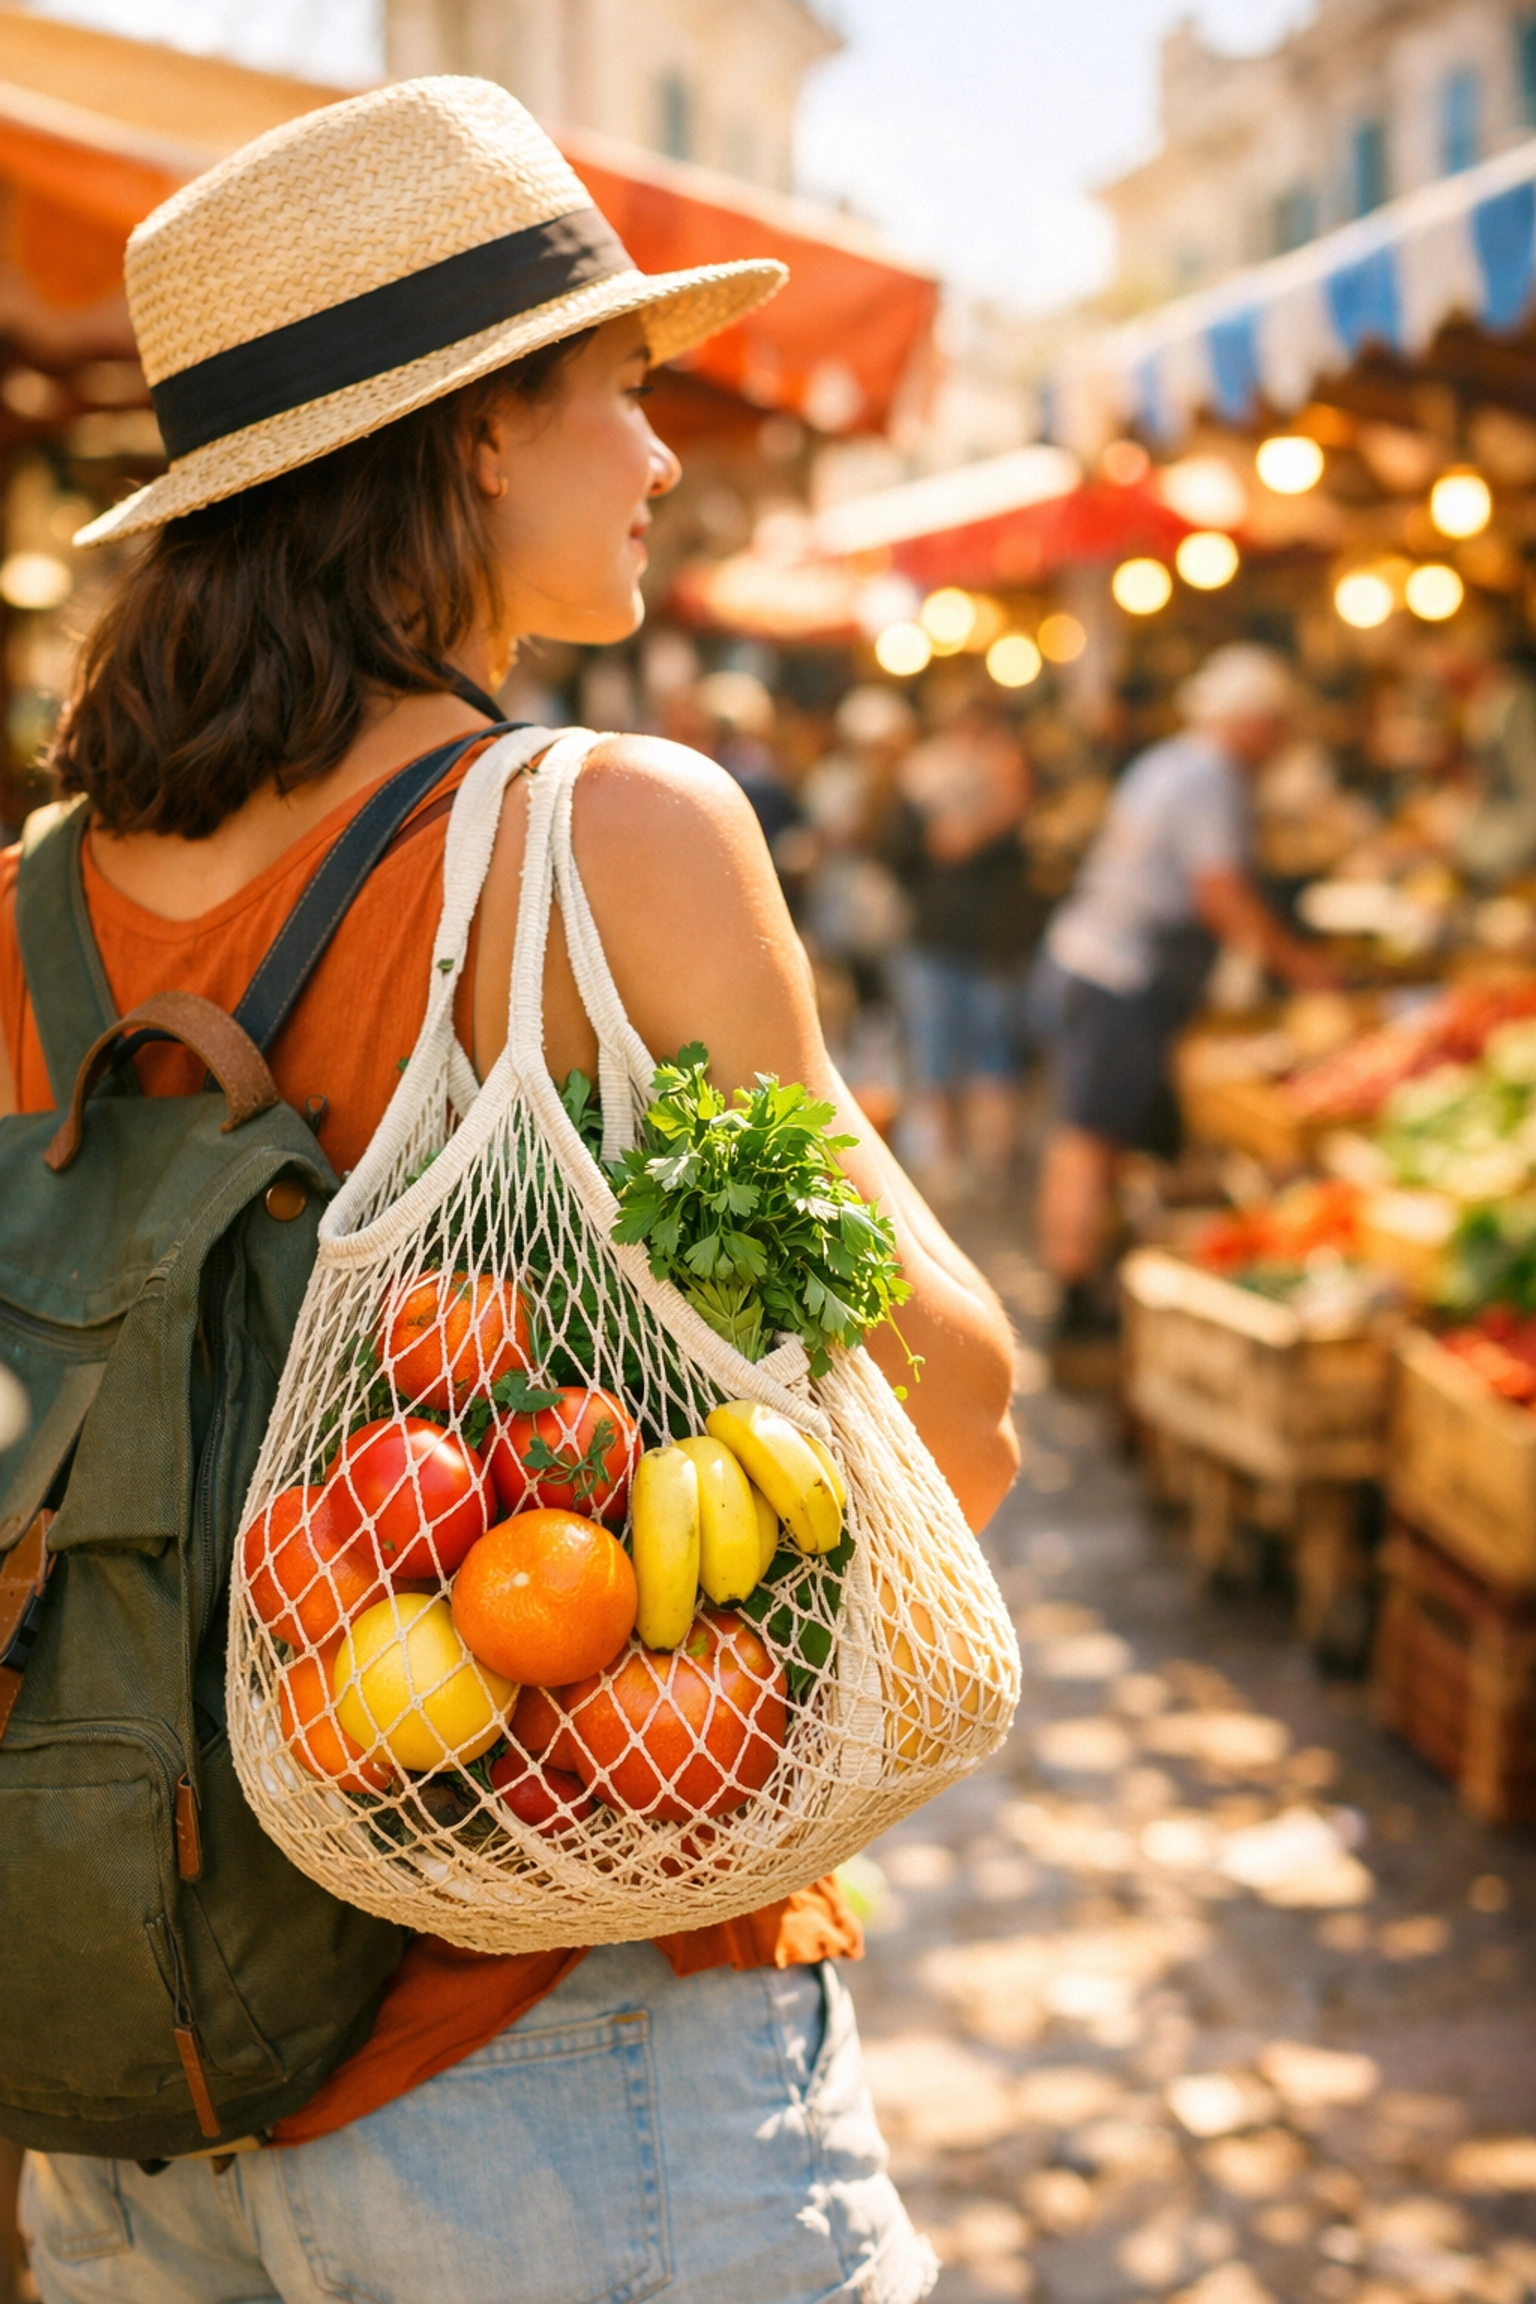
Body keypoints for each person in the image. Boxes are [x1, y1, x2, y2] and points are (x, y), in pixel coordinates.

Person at [0, 80, 1018, 2304]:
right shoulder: (607, 833)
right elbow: (961, 1409)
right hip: (559, 2046)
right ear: (475, 429)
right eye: (623, 392)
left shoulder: (27, 919)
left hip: (115, 2057)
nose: (661, 458)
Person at [1030, 643, 1333, 1346]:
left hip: (1096, 962)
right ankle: (1075, 1295)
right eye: (1277, 726)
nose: (1282, 743)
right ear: (1251, 722)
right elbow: (1218, 889)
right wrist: (1294, 963)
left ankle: (1085, 1283)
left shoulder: (1173, 762)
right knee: (1091, 1136)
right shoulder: (1207, 776)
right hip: (1120, 975)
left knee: (1092, 1136)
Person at [883, 698, 1038, 1200]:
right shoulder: (918, 778)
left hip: (993, 942)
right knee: (936, 1054)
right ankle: (948, 1163)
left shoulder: (1013, 778)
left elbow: (1024, 850)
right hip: (935, 938)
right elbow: (902, 850)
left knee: (993, 1054)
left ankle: (992, 1163)